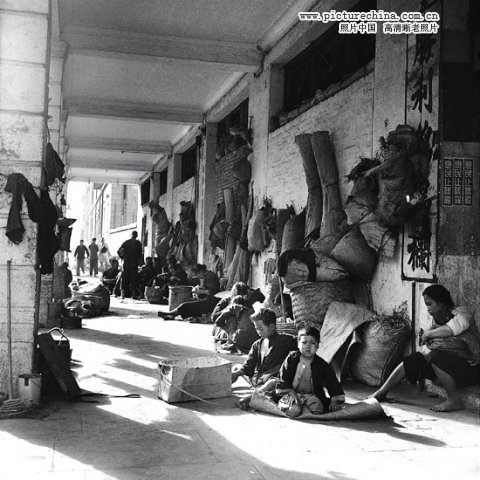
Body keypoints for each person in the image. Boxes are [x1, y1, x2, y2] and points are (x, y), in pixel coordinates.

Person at [371, 285, 480, 412]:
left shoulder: (462, 313)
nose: (428, 308)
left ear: (441, 303)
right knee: (414, 359)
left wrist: (428, 334)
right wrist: (425, 347)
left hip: (471, 369)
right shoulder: (435, 323)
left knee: (436, 356)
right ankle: (381, 392)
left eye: (430, 304)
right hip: (450, 368)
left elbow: (452, 329)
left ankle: (454, 400)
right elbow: (426, 349)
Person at [231, 307, 297, 408]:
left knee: (272, 385)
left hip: (271, 382)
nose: (258, 331)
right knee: (236, 368)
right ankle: (229, 389)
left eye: (261, 328)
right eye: (256, 328)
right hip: (257, 379)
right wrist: (235, 374)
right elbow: (249, 366)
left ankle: (251, 397)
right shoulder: (257, 344)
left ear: (272, 326)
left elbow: (300, 344)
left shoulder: (285, 340)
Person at [275, 326, 345, 417]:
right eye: (304, 342)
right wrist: (291, 393)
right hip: (292, 393)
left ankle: (305, 408)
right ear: (298, 344)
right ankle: (298, 407)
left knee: (318, 409)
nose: (308, 346)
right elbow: (283, 377)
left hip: (312, 396)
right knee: (293, 410)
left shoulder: (322, 364)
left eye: (313, 343)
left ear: (318, 345)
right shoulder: (292, 359)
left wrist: (334, 401)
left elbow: (332, 382)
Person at [118, 230, 143, 299]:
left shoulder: (126, 242)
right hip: (134, 264)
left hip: (126, 264)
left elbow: (119, 251)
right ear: (136, 236)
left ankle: (122, 295)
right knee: (133, 280)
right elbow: (140, 255)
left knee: (124, 279)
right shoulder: (138, 243)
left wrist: (123, 257)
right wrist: (140, 263)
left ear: (131, 235)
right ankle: (133, 295)